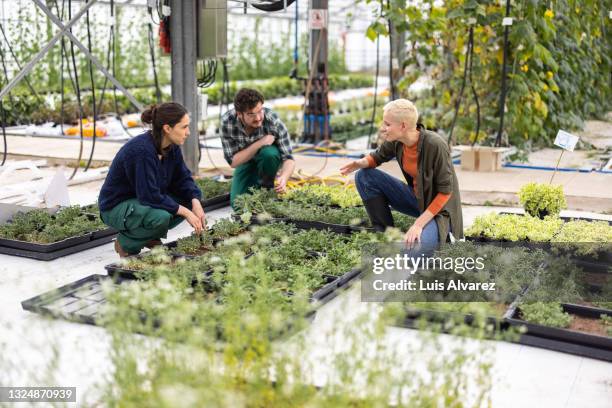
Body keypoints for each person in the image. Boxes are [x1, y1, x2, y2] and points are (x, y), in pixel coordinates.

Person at [340, 99, 463, 247]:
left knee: (413, 251)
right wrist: (359, 163)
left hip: (441, 211)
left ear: (403, 126)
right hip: (417, 200)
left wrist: (418, 225)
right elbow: (377, 156)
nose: (383, 128)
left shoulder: (435, 145)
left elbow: (445, 193)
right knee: (364, 176)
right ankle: (385, 235)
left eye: (387, 124)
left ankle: (435, 233)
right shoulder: (397, 141)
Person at [98, 102, 205, 257]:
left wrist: (195, 201)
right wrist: (187, 213)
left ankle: (149, 237)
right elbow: (149, 196)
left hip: (140, 203)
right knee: (161, 216)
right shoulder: (142, 151)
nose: (188, 132)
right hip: (116, 207)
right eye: (184, 127)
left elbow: (183, 178)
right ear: (167, 129)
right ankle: (125, 243)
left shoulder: (171, 147)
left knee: (187, 200)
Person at [221, 88, 295, 208]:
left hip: (269, 162)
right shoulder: (228, 122)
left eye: (260, 111)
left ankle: (267, 189)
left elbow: (289, 158)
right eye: (251, 114)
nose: (258, 118)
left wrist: (284, 178)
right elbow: (233, 162)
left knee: (269, 153)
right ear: (239, 114)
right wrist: (260, 142)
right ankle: (255, 186)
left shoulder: (272, 120)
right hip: (245, 162)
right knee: (238, 205)